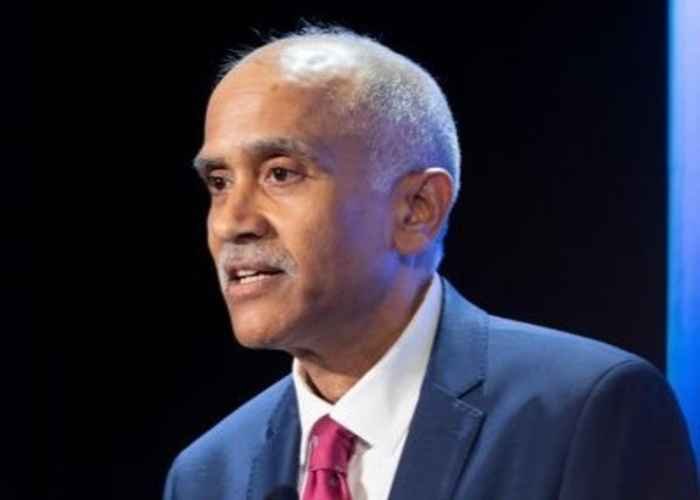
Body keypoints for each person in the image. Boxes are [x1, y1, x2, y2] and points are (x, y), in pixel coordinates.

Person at [163, 25, 698, 500]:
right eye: (219, 182)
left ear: (417, 208)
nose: (231, 221)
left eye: (281, 173)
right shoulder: (209, 475)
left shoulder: (584, 413)